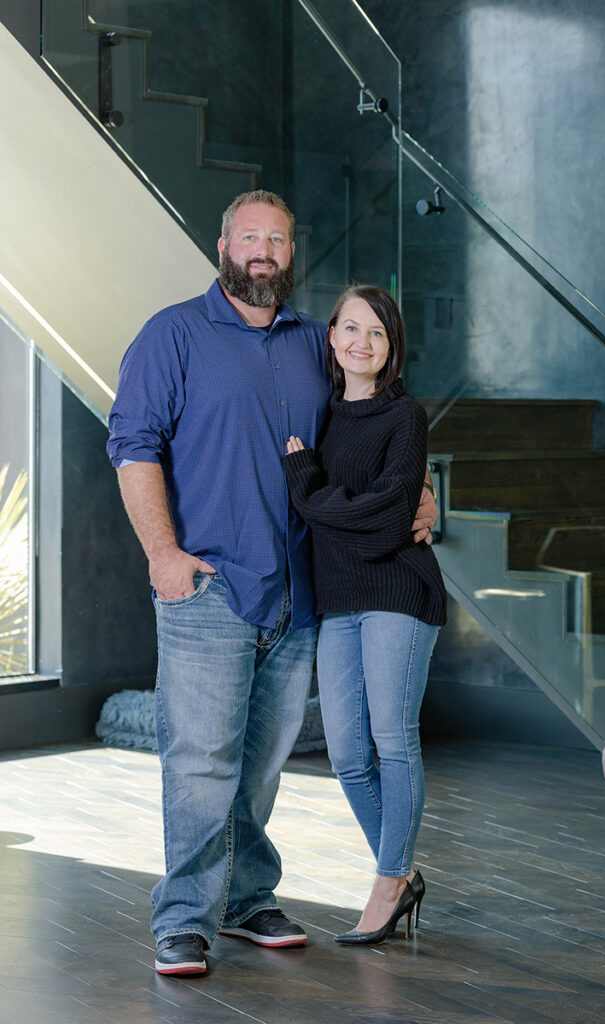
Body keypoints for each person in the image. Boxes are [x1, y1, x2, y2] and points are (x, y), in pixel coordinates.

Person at [106, 190, 438, 975]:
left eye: (278, 240)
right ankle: (184, 914)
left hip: (300, 591)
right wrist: (163, 554)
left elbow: (367, 434)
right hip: (209, 586)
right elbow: (132, 444)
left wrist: (423, 496)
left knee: (260, 764)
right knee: (200, 759)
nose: (262, 250)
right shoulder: (172, 334)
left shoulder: (311, 344)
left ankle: (249, 897)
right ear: (221, 244)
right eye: (249, 237)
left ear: (293, 253)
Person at [283, 285, 447, 946]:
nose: (361, 343)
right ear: (331, 337)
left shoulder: (405, 416)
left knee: (390, 736)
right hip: (338, 599)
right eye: (350, 329)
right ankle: (400, 875)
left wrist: (309, 490)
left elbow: (387, 519)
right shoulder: (320, 416)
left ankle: (389, 878)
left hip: (398, 592)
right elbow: (365, 512)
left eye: (376, 333)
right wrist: (330, 501)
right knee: (347, 753)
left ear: (391, 346)